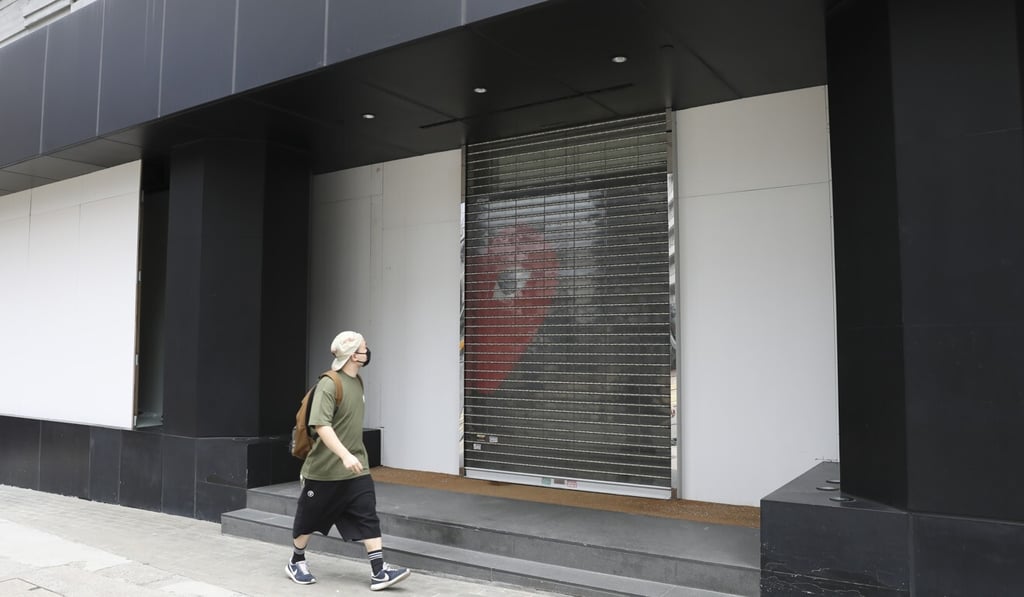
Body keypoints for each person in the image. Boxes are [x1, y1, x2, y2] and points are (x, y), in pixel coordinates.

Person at [286, 331, 411, 591]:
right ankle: (296, 561)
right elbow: (321, 425)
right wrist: (344, 455)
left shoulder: (357, 382)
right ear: (354, 355)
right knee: (308, 519)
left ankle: (379, 571)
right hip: (324, 470)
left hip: (356, 468)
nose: (368, 351)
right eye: (364, 348)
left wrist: (353, 457)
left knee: (367, 514)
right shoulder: (330, 384)